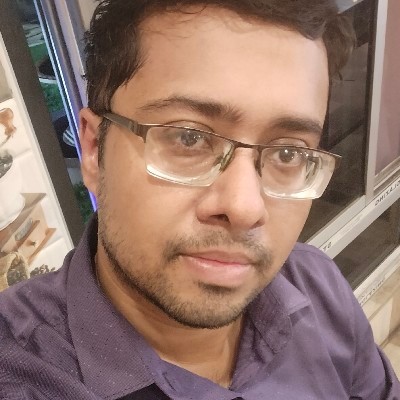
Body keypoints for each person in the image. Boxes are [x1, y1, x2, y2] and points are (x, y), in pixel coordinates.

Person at [0, 0, 399, 398]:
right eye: (189, 137)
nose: (244, 208)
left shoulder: (318, 286)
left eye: (288, 153)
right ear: (92, 150)